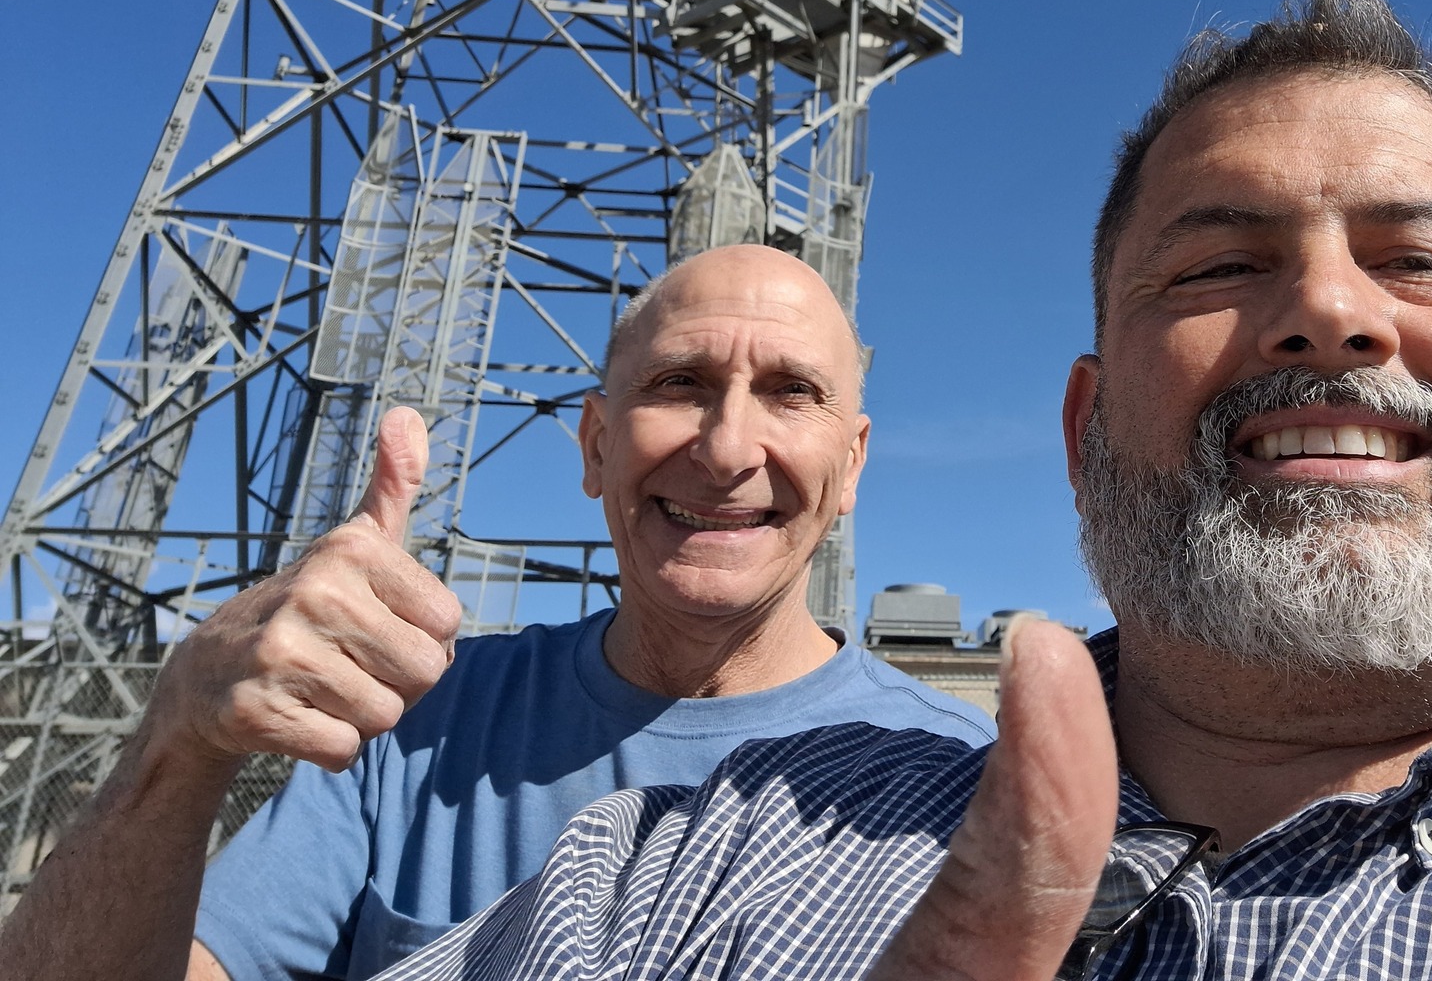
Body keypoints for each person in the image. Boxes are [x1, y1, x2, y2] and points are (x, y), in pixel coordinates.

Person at [370, 0, 1432, 981]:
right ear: (1085, 425)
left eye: (1418, 258)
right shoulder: (676, 878)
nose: (1329, 311)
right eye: (1218, 264)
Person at [0, 244, 993, 981]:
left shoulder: (964, 785)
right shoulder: (417, 721)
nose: (728, 448)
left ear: (851, 464)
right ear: (595, 445)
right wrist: (178, 739)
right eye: (678, 383)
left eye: (791, 392)